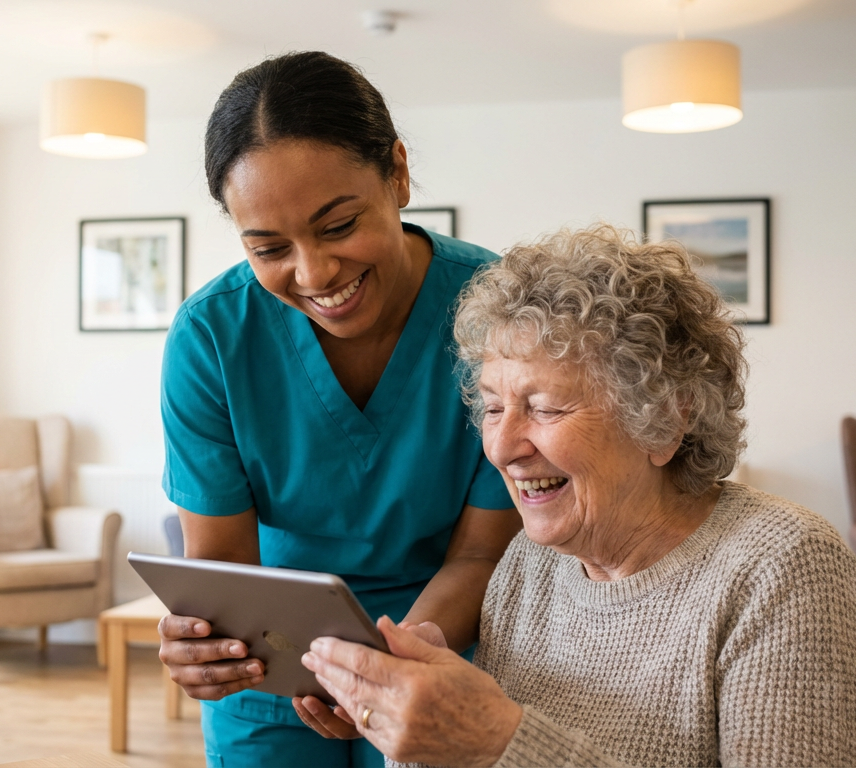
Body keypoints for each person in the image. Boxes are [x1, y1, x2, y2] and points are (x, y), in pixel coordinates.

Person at [301, 225, 856, 767]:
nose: (503, 447)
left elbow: (505, 753)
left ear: (662, 420)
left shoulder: (784, 567)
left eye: (545, 408)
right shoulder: (531, 563)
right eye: (494, 407)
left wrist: (496, 740)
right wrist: (419, 721)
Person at [157, 51, 520, 767]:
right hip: (276, 667)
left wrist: (393, 667)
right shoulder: (211, 337)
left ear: (399, 173)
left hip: (446, 649)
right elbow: (226, 569)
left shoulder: (496, 310)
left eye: (339, 224)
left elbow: (483, 551)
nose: (314, 274)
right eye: (268, 248)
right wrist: (204, 644)